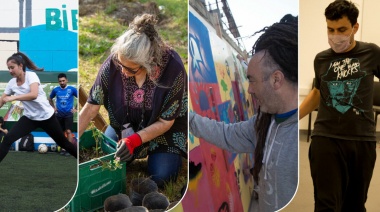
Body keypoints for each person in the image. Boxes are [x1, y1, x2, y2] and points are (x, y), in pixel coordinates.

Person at [189, 14, 298, 212]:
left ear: (276, 80)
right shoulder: (264, 123)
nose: (249, 90)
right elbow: (227, 135)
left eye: (252, 80)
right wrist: (188, 118)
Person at [79, 14, 187, 188]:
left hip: (165, 132)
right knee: (107, 161)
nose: (122, 71)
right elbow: (92, 106)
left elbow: (166, 122)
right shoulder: (116, 62)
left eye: (130, 69)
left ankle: (166, 156)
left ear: (149, 64)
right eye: (120, 65)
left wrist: (134, 141)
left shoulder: (173, 69)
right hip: (126, 125)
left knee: (161, 177)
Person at [299, 1, 380, 211]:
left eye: (342, 29)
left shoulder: (371, 53)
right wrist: (291, 118)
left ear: (355, 27)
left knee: (354, 204)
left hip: (362, 140)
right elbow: (317, 92)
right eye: (330, 29)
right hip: (326, 139)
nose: (335, 35)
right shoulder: (321, 59)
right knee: (326, 204)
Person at [0, 52, 77, 162]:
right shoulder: (11, 83)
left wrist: (13, 97)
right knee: (8, 139)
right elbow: (2, 100)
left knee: (63, 143)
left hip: (47, 117)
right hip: (30, 118)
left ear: (20, 66)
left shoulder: (31, 76)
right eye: (8, 68)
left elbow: (33, 94)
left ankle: (81, 160)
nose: (10, 71)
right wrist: (4, 99)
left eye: (12, 67)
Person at [49, 73, 78, 155]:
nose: (62, 82)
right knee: (60, 132)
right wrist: (53, 108)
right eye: (60, 81)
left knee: (68, 131)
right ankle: (63, 148)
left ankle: (69, 149)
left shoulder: (72, 89)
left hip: (68, 114)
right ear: (58, 82)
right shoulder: (56, 90)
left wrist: (76, 108)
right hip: (59, 115)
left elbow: (79, 97)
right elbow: (50, 98)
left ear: (67, 80)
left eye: (63, 81)